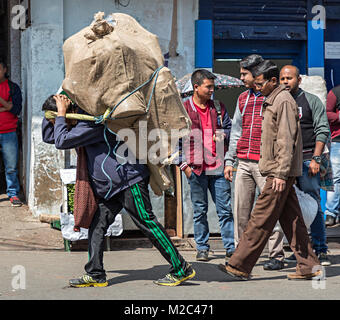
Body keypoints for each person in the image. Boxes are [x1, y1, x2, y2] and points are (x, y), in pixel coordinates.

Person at [42, 94, 195, 287]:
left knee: (147, 223)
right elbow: (50, 136)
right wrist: (54, 113)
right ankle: (95, 273)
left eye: (56, 119)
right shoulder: (80, 122)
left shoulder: (93, 123)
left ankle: (181, 268)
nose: (57, 123)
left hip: (128, 179)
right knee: (96, 227)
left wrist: (61, 113)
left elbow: (61, 141)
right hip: (109, 188)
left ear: (69, 111)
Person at [219, 60, 321, 281]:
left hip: (277, 173)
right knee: (293, 221)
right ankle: (309, 266)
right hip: (276, 171)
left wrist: (281, 174)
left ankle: (239, 264)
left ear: (272, 81)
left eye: (260, 83)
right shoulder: (273, 99)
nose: (257, 87)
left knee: (260, 218)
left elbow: (286, 140)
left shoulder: (282, 101)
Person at [224, 54, 285, 270]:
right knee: (240, 211)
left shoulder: (275, 97)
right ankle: (242, 256)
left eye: (244, 74)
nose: (241, 78)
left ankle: (276, 254)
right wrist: (229, 161)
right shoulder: (242, 99)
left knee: (269, 212)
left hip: (265, 165)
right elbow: (236, 131)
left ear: (256, 74)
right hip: (243, 162)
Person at [178, 69, 235, 262]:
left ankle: (230, 247)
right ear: (196, 87)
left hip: (218, 167)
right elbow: (173, 138)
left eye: (213, 86)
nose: (212, 90)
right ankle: (202, 247)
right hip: (195, 168)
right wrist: (183, 165)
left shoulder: (218, 107)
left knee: (225, 210)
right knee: (199, 210)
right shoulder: (184, 109)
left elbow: (230, 128)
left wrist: (223, 134)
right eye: (208, 87)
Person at [279, 65, 331, 266]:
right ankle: (301, 250)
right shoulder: (279, 101)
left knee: (313, 204)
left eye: (289, 78)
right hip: (286, 163)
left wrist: (317, 159)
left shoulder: (311, 100)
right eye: (282, 78)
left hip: (309, 160)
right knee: (294, 208)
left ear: (298, 80)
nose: (285, 82)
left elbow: (322, 130)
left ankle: (320, 249)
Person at [0, 58, 22, 207]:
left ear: (5, 70)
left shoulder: (13, 88)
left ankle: (13, 194)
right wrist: (6, 106)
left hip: (9, 132)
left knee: (11, 167)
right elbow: (9, 107)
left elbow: (15, 109)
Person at [325, 84, 340, 227]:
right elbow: (327, 113)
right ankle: (330, 214)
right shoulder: (335, 92)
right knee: (335, 178)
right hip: (338, 142)